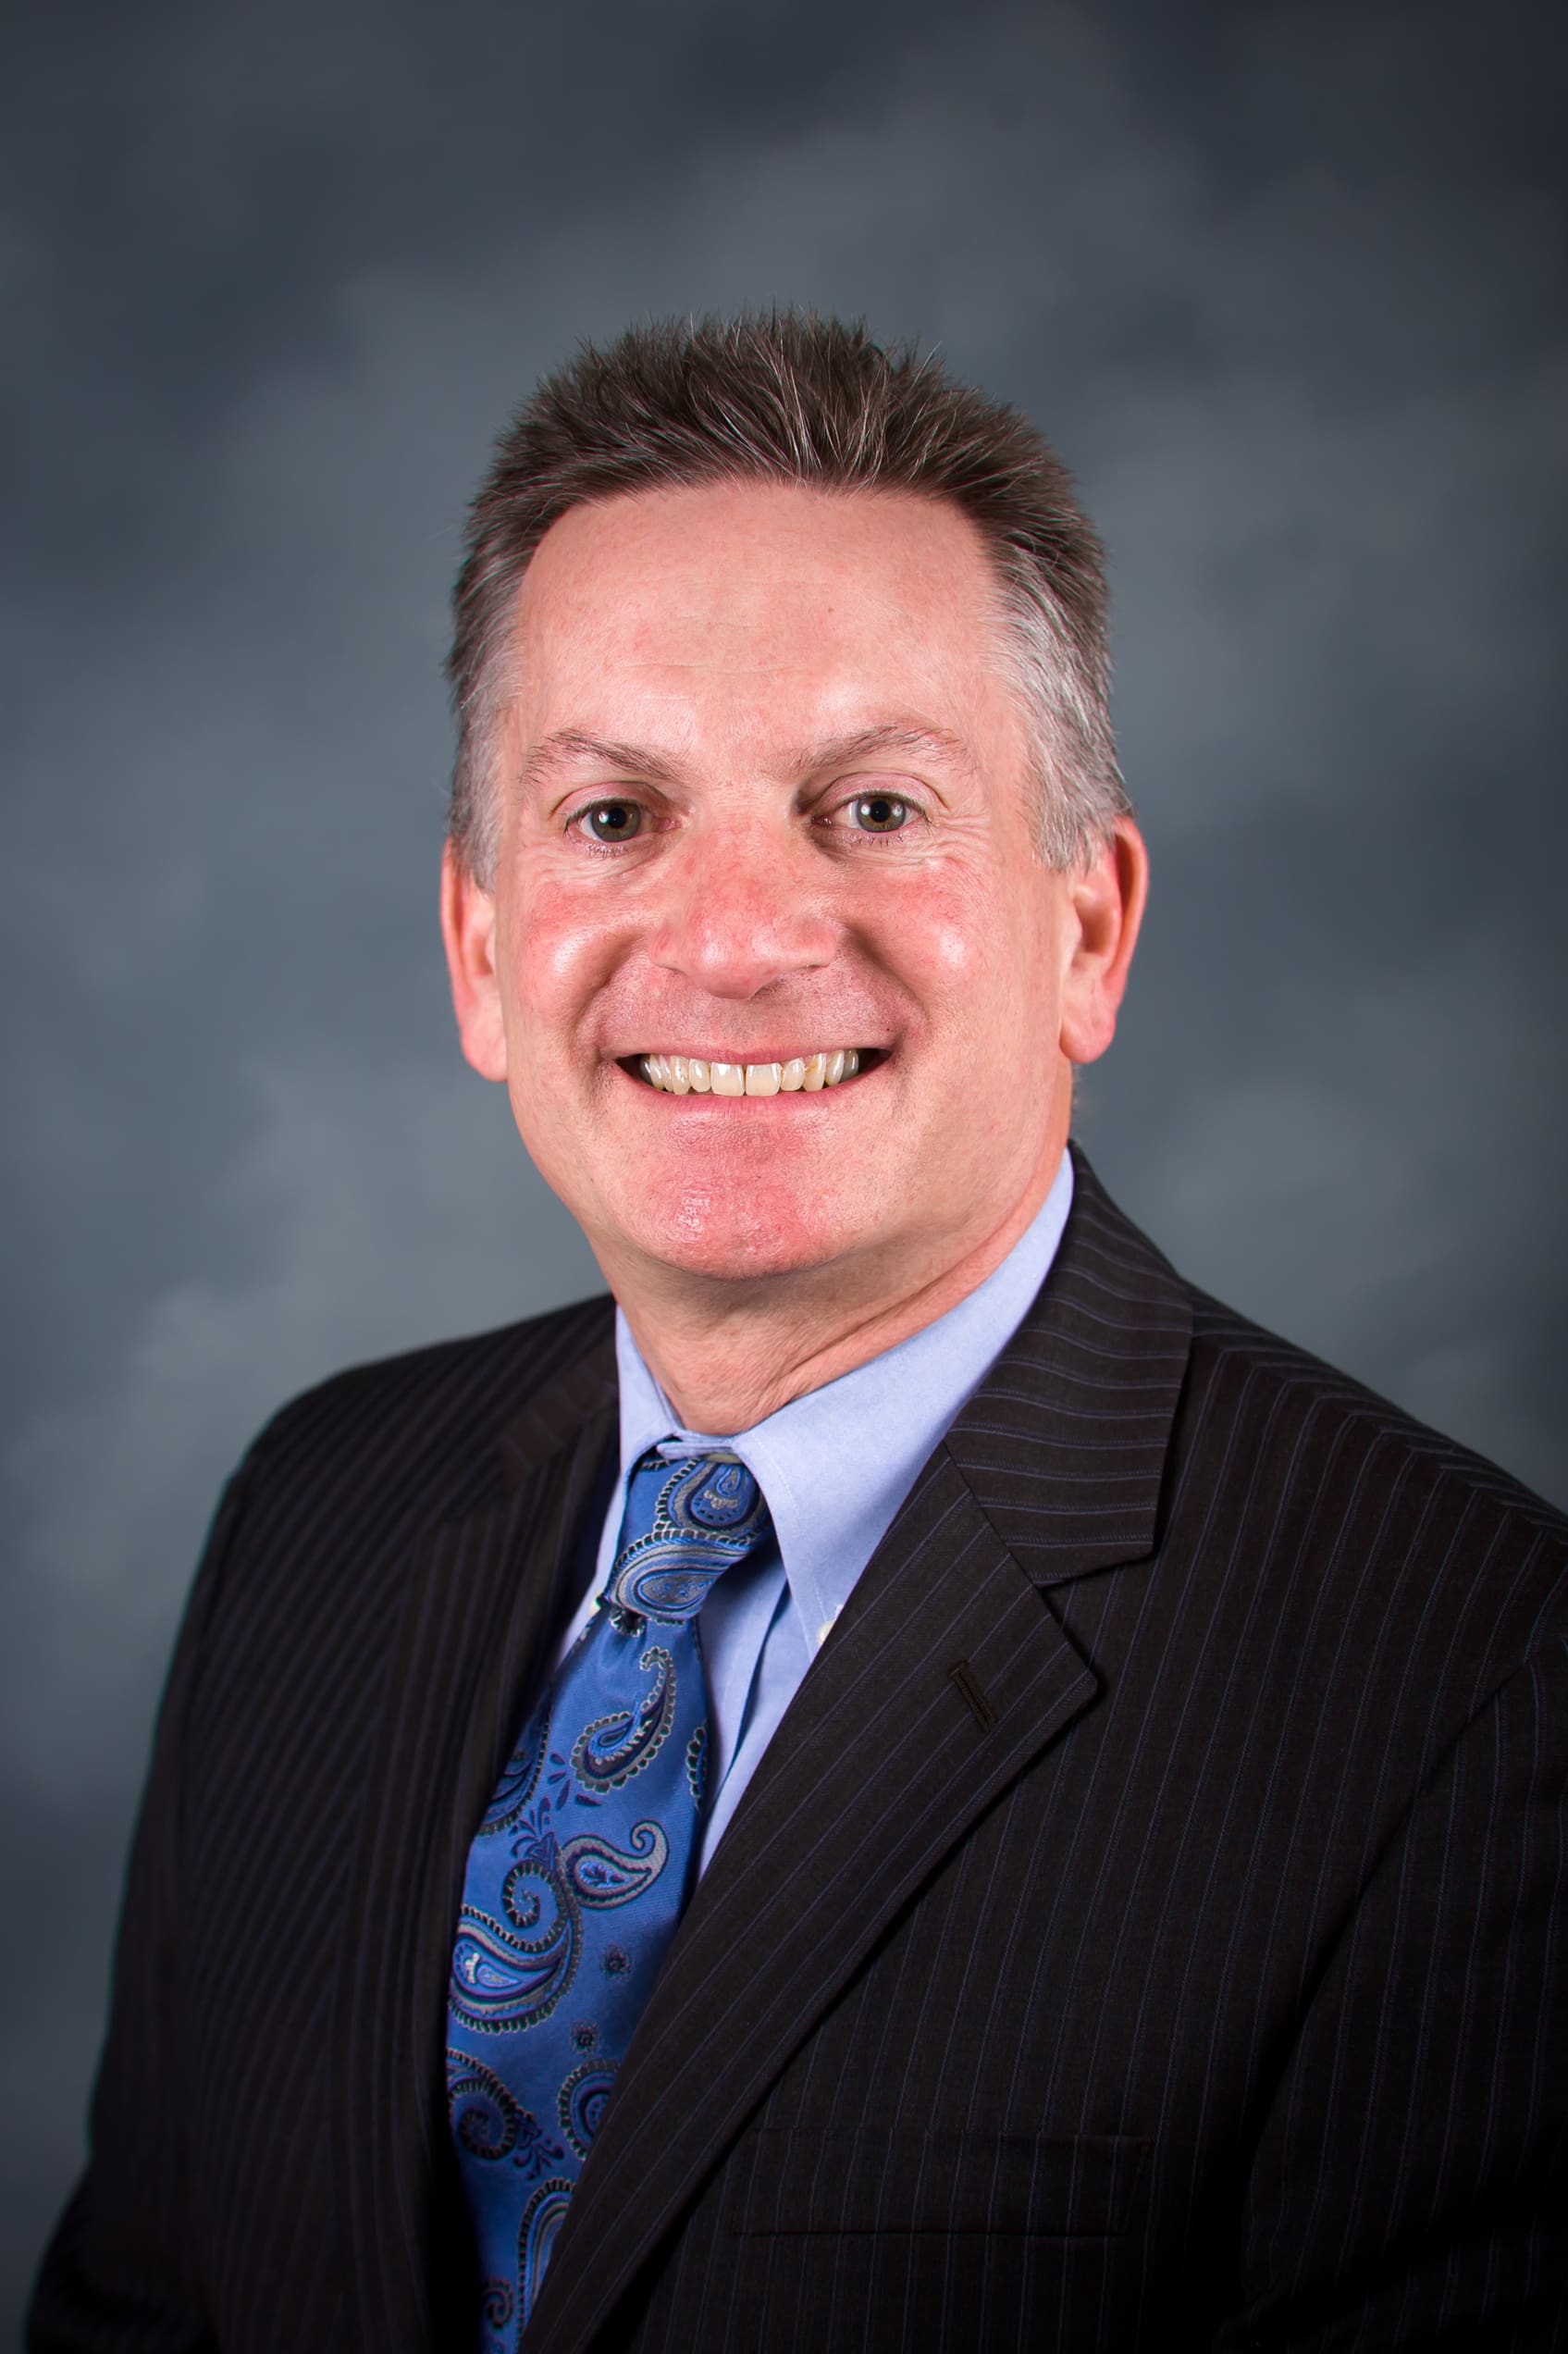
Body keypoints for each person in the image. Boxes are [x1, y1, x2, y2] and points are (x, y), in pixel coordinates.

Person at [29, 314, 1567, 2354]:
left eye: (872, 809)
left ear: (1088, 932)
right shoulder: (315, 1510)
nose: (740, 940)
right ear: (479, 952)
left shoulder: (1475, 1679)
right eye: (612, 819)